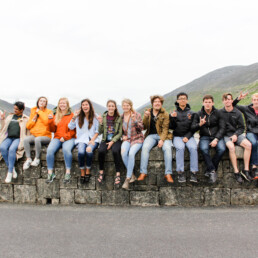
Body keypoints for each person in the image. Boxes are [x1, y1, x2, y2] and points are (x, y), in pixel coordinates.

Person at [138, 95, 173, 183]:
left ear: (161, 104)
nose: (157, 103)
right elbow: (144, 127)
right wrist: (145, 117)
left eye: (159, 102)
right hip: (151, 135)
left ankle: (168, 174)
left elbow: (165, 129)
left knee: (168, 148)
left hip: (163, 136)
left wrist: (162, 140)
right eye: (155, 102)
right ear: (152, 103)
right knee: (145, 147)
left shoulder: (165, 113)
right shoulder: (148, 112)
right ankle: (143, 172)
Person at [191, 95, 226, 183]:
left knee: (222, 149)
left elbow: (222, 128)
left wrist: (216, 139)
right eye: (206, 102)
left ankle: (210, 170)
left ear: (212, 103)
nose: (207, 104)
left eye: (209, 102)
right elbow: (192, 128)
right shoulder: (198, 114)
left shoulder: (218, 113)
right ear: (203, 103)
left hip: (217, 136)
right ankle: (212, 170)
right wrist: (200, 124)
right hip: (204, 137)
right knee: (203, 149)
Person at [220, 93, 252, 183]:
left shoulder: (237, 112)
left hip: (236, 134)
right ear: (223, 101)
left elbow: (242, 127)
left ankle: (246, 170)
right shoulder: (220, 113)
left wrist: (236, 135)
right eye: (226, 99)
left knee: (249, 145)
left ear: (232, 100)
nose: (227, 101)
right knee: (231, 147)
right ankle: (236, 171)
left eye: (229, 99)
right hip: (226, 135)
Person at [68, 99, 99, 184]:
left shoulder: (95, 116)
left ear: (90, 106)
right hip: (81, 139)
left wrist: (92, 140)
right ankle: (82, 171)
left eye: (87, 104)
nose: (85, 106)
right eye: (83, 105)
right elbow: (70, 126)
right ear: (81, 107)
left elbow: (98, 131)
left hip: (93, 139)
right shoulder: (78, 117)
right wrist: (74, 116)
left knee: (89, 151)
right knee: (81, 152)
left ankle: (88, 170)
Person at [46, 98, 76, 183]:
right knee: (50, 150)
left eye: (64, 103)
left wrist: (65, 137)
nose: (62, 105)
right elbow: (52, 130)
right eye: (61, 103)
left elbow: (73, 130)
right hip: (57, 137)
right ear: (58, 105)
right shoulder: (56, 115)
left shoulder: (72, 115)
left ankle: (68, 173)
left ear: (67, 104)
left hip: (69, 137)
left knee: (66, 150)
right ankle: (50, 173)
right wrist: (50, 121)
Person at [170, 92, 198, 183]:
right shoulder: (174, 113)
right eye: (180, 98)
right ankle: (180, 172)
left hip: (189, 136)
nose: (182, 100)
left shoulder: (192, 113)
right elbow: (171, 127)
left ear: (187, 100)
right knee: (180, 148)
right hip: (177, 136)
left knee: (193, 148)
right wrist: (173, 118)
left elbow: (194, 128)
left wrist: (187, 136)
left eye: (184, 98)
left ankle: (193, 172)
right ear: (177, 101)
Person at [0, 102, 29, 183]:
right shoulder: (10, 116)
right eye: (14, 108)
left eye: (17, 109)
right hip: (8, 137)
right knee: (2, 147)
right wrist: (2, 119)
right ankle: (12, 168)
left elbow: (29, 130)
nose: (15, 110)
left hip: (18, 138)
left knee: (12, 149)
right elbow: (3, 127)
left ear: (22, 110)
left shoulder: (26, 119)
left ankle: (9, 173)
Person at [96, 100, 123, 188]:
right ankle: (101, 172)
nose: (111, 107)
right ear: (107, 107)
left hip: (115, 139)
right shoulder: (103, 117)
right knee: (101, 151)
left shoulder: (119, 118)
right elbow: (100, 131)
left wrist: (112, 141)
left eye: (112, 106)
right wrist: (100, 123)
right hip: (105, 139)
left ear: (115, 107)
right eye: (109, 106)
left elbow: (120, 133)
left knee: (115, 151)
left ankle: (118, 173)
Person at [233, 92, 258, 179]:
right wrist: (238, 99)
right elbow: (233, 105)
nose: (256, 102)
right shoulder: (247, 108)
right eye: (254, 100)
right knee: (254, 143)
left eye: (257, 100)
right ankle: (254, 167)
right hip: (251, 132)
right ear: (252, 101)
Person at [120, 99, 144, 190]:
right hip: (127, 139)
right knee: (123, 153)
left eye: (127, 105)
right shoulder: (121, 117)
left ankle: (127, 178)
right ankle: (132, 175)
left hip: (137, 138)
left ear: (130, 106)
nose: (125, 107)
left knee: (131, 154)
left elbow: (141, 128)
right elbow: (119, 131)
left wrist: (135, 121)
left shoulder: (136, 114)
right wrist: (123, 136)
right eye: (124, 105)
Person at [23, 97, 52, 170]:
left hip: (46, 136)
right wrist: (33, 120)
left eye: (44, 101)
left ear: (46, 104)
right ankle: (28, 159)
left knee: (37, 139)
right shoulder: (33, 111)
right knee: (26, 140)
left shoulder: (49, 112)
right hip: (35, 134)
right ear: (38, 102)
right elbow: (28, 126)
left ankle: (37, 158)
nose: (42, 102)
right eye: (41, 101)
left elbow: (46, 122)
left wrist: (39, 112)